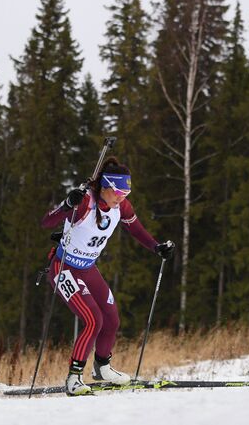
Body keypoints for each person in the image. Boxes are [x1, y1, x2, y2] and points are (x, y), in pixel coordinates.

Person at [41, 157, 175, 396]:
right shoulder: (84, 202)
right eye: (118, 192)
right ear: (105, 187)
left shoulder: (121, 206)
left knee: (111, 319)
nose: (122, 197)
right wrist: (66, 205)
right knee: (94, 319)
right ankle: (74, 378)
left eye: (126, 192)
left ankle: (102, 368)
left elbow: (135, 229)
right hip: (64, 268)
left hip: (88, 268)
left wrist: (156, 247)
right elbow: (47, 222)